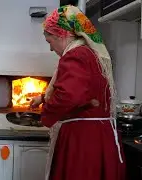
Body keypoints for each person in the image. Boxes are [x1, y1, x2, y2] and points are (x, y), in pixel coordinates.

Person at [30, 5, 126, 180]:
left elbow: (69, 95)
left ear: (62, 34)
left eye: (49, 41)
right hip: (99, 135)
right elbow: (83, 92)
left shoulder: (76, 55)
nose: (51, 49)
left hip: (83, 140)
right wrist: (43, 98)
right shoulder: (89, 53)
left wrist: (46, 116)